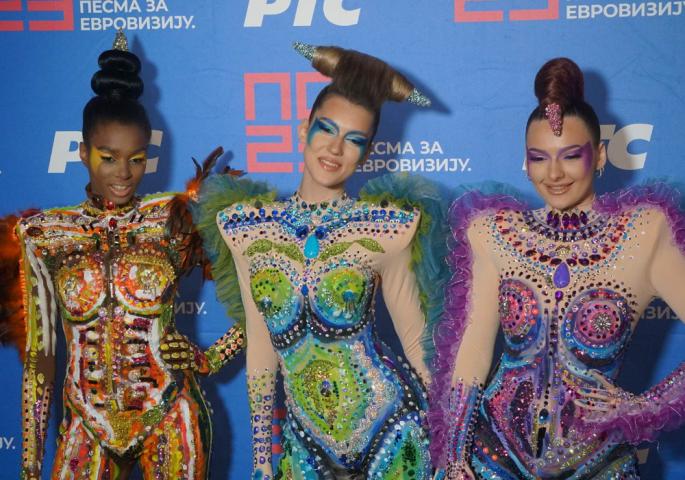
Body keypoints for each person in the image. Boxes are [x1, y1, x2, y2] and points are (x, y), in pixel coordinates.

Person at [193, 42, 448, 479]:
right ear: (303, 130)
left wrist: (450, 440)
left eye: (354, 140)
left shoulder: (385, 229)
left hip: (394, 435)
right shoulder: (246, 229)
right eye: (326, 129)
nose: (335, 149)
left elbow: (415, 341)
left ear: (367, 152)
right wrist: (261, 460)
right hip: (305, 446)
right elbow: (261, 350)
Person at [429, 57, 685, 479]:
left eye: (570, 156)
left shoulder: (643, 233)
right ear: (525, 161)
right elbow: (472, 351)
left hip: (598, 461)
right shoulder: (493, 232)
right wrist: (455, 456)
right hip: (494, 456)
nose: (553, 174)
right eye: (539, 157)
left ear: (599, 156)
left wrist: (644, 406)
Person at [13, 31, 243, 479]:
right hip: (85, 422)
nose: (124, 173)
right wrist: (29, 464)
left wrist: (210, 358)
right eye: (108, 157)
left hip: (171, 416)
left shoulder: (175, 219)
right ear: (83, 153)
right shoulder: (44, 235)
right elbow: (41, 357)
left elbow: (265, 292)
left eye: (137, 159)